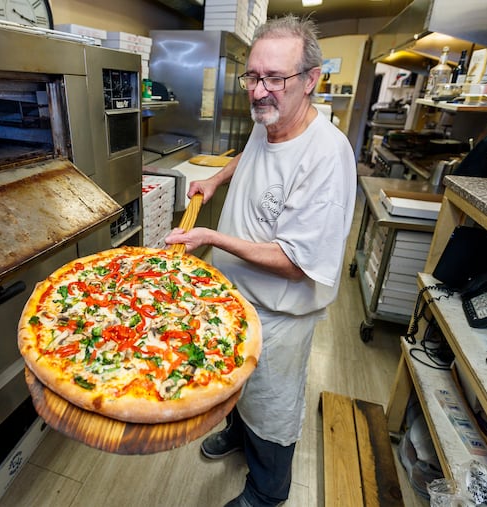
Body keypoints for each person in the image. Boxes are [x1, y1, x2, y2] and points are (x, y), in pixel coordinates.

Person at [164, 14, 357, 507]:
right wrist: (216, 181)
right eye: (253, 76)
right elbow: (249, 155)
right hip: (232, 296)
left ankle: (267, 491)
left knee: (271, 406)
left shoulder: (326, 157)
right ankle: (236, 434)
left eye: (275, 78)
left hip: (278, 313)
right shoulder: (268, 119)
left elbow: (297, 261)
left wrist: (211, 237)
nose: (258, 91)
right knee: (234, 386)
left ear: (311, 80)